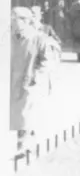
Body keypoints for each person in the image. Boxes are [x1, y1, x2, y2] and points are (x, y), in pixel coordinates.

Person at [11, 8, 55, 154]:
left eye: (15, 18)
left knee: (24, 112)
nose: (12, 21)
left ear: (26, 21)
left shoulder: (39, 38)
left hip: (30, 81)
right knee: (16, 113)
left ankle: (22, 145)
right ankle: (30, 136)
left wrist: (36, 75)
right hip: (12, 80)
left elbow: (47, 60)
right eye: (12, 18)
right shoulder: (8, 37)